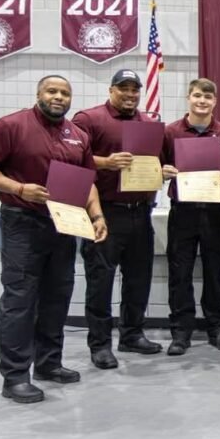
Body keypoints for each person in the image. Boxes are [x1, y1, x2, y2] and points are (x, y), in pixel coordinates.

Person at [0, 75, 107, 403]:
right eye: (52, 91)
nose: (59, 97)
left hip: (64, 223)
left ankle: (48, 363)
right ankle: (16, 376)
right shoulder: (11, 126)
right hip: (23, 222)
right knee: (20, 298)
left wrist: (97, 215)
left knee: (57, 296)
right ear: (39, 93)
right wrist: (19, 188)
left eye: (65, 93)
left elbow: (87, 181)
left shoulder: (78, 135)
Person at [73, 69, 163, 369]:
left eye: (135, 89)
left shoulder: (148, 124)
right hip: (105, 213)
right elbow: (71, 157)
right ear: (111, 90)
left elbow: (156, 161)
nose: (130, 94)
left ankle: (132, 334)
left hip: (140, 211)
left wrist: (162, 171)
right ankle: (100, 345)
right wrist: (105, 162)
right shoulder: (89, 119)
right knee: (101, 281)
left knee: (138, 279)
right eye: (123, 88)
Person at [159, 78, 220, 355]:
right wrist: (163, 172)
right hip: (183, 210)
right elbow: (157, 166)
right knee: (180, 273)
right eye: (197, 95)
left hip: (214, 210)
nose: (202, 101)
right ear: (188, 98)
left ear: (215, 101)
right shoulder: (170, 132)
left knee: (215, 272)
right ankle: (181, 332)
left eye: (207, 96)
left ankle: (218, 328)